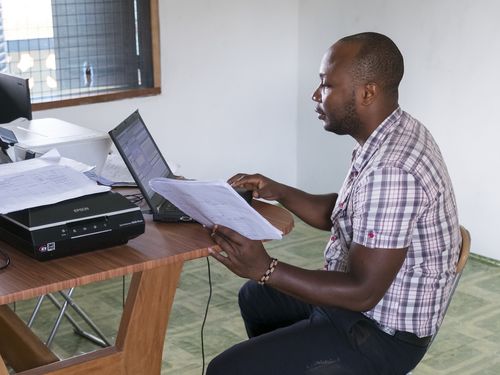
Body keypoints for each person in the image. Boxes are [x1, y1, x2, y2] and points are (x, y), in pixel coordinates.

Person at [206, 32, 460, 375]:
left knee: (226, 369)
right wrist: (279, 190)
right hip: (368, 306)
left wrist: (265, 267)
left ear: (367, 92)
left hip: (381, 332)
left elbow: (362, 292)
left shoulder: (392, 169)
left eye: (326, 84)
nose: (315, 94)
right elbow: (344, 212)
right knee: (256, 298)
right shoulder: (393, 132)